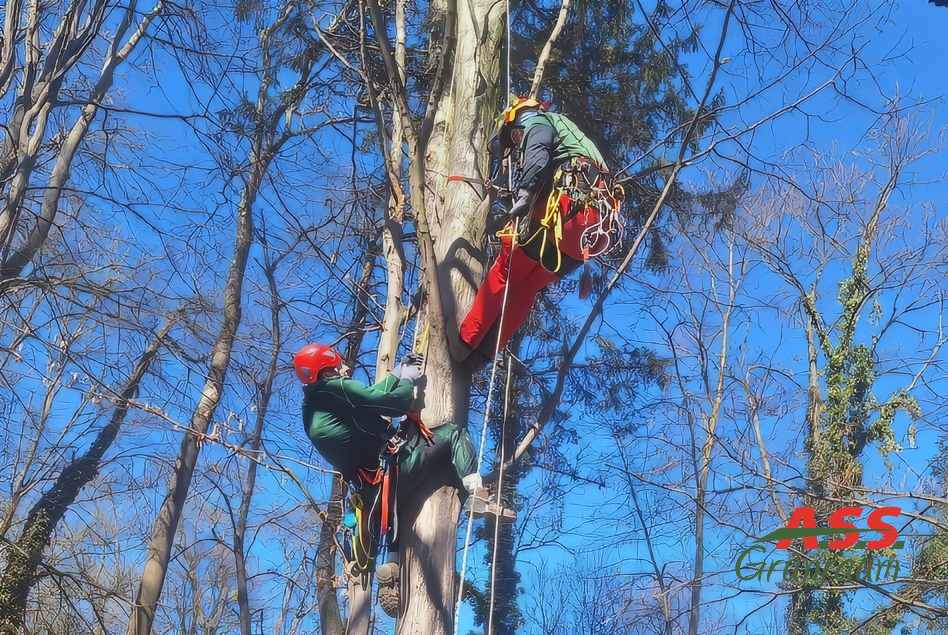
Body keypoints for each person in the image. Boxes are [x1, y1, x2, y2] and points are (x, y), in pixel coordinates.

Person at [294, 343, 482, 617]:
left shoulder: (316, 406)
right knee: (453, 435)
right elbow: (392, 404)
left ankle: (393, 563)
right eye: (340, 366)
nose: (347, 369)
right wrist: (406, 381)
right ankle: (477, 492)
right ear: (328, 369)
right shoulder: (333, 389)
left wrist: (394, 373)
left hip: (374, 493)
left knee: (401, 511)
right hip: (394, 469)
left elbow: (371, 399)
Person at [459, 97, 622, 365]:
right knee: (526, 288)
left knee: (506, 270)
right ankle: (484, 353)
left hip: (565, 212)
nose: (517, 140)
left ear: (518, 117)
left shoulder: (539, 120)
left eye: (514, 135)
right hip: (588, 235)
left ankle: (466, 339)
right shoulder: (576, 139)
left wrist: (525, 193)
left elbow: (538, 148)